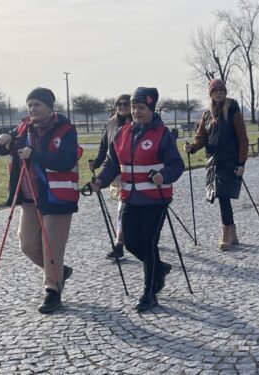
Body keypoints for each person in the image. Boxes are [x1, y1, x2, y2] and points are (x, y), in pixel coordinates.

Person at [91, 87, 185, 312]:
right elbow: (112, 164)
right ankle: (158, 268)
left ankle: (149, 292)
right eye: (133, 107)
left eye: (141, 108)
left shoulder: (162, 134)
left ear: (151, 109)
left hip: (155, 198)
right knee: (129, 241)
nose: (135, 111)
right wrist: (100, 182)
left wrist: (164, 176)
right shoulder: (122, 133)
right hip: (129, 197)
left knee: (148, 242)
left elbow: (176, 165)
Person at [0, 87, 79, 314]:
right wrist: (2, 137)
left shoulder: (65, 129)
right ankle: (60, 272)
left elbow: (66, 160)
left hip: (56, 197)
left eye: (37, 105)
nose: (32, 109)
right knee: (28, 245)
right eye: (29, 105)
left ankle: (52, 290)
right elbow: (1, 148)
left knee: (51, 247)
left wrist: (35, 155)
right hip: (29, 196)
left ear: (49, 107)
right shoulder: (23, 128)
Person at [184, 79, 249, 251]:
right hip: (213, 162)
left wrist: (241, 162)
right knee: (222, 196)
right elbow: (201, 138)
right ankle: (232, 234)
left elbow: (243, 139)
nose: (219, 92)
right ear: (211, 93)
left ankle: (226, 234)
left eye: (222, 89)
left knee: (223, 195)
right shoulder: (206, 115)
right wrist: (192, 148)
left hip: (230, 161)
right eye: (215, 90)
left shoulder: (233, 111)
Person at [89, 94, 132, 259]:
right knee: (122, 209)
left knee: (129, 209)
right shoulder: (111, 123)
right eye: (119, 104)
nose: (122, 106)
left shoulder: (138, 122)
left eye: (126, 103)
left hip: (136, 174)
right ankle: (120, 244)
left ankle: (126, 242)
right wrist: (97, 163)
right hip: (116, 172)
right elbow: (104, 148)